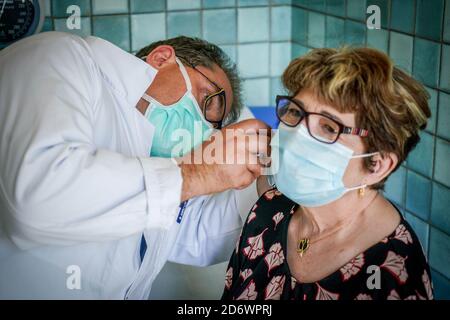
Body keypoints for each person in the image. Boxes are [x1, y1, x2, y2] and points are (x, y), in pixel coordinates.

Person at [0, 32, 269, 299]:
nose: (201, 126)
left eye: (212, 127)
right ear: (161, 59)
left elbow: (194, 230)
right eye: (207, 99)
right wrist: (194, 175)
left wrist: (265, 184)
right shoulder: (60, 57)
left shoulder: (156, 157)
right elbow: (39, 196)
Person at [222, 47, 434, 300]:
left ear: (377, 165)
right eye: (295, 112)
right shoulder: (269, 209)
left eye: (328, 127)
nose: (297, 136)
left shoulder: (391, 273)